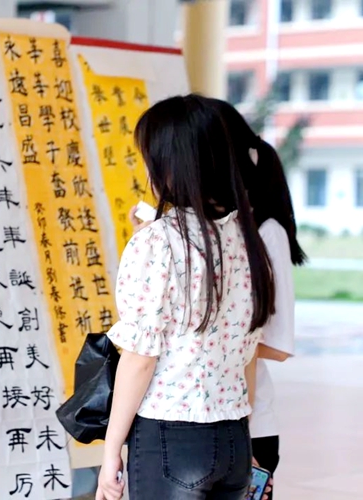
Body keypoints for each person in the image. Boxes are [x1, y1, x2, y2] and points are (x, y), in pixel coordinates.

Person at [96, 94, 276, 500]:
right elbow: (247, 354)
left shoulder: (158, 241)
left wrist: (111, 451)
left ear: (170, 165)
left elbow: (140, 359)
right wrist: (244, 436)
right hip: (233, 438)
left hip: (170, 438)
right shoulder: (247, 241)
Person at [213, 99, 306, 499]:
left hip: (250, 427)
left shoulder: (267, 233)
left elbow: (279, 344)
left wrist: (213, 345)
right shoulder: (217, 228)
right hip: (207, 421)